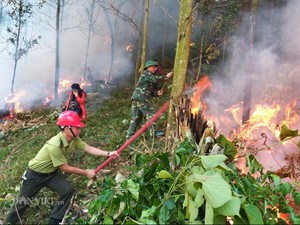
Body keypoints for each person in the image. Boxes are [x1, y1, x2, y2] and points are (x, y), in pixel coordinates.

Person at [5, 111, 118, 225]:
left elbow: (88, 148)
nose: (79, 130)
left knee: (67, 191)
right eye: (77, 127)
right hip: (34, 175)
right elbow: (65, 168)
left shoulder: (74, 139)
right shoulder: (55, 145)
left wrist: (108, 153)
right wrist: (85, 172)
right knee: (22, 203)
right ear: (67, 128)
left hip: (51, 174)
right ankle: (8, 222)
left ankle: (55, 220)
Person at [126, 60, 173, 139]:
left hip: (137, 98)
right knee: (151, 115)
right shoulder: (146, 74)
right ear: (149, 67)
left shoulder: (149, 77)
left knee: (136, 118)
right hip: (141, 98)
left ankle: (129, 136)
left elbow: (150, 91)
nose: (155, 69)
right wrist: (166, 77)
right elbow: (156, 79)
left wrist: (157, 94)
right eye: (154, 67)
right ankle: (153, 133)